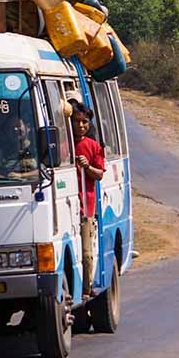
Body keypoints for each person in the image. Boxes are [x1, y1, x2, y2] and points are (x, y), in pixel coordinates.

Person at [66, 94, 104, 298]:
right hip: (66, 207)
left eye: (84, 122)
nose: (80, 126)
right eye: (77, 121)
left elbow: (99, 174)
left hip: (85, 208)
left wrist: (87, 166)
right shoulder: (62, 144)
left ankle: (87, 290)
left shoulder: (93, 146)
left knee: (87, 253)